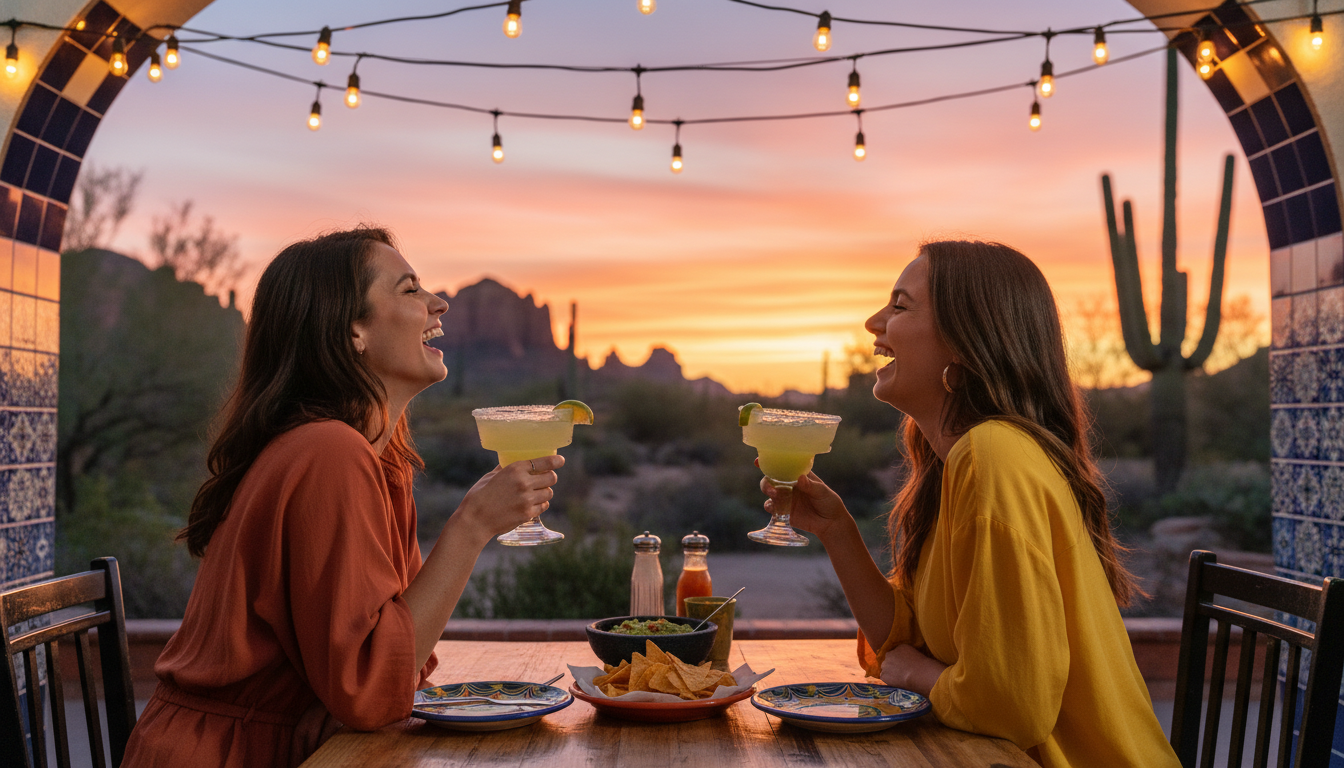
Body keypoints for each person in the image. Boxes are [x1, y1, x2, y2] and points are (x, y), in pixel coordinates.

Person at [122, 227, 561, 767]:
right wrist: (471, 525)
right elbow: (378, 686)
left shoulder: (378, 460)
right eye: (408, 290)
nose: (438, 302)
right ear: (353, 331)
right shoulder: (329, 452)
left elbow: (398, 666)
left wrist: (339, 698)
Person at [765, 240, 1180, 767]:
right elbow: (907, 639)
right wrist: (837, 531)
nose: (874, 323)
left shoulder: (994, 457)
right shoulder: (960, 462)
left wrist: (917, 675)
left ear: (964, 342)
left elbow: (1010, 707)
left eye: (900, 305)